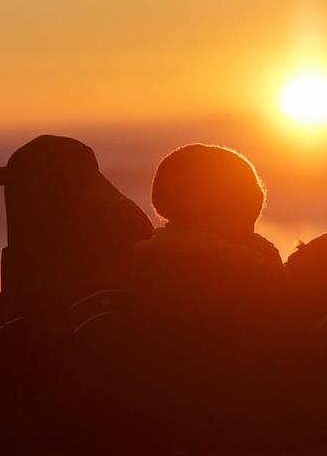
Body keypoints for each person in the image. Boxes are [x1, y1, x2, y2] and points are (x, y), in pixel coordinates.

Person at [0, 135, 153, 455]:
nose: (14, 202)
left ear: (52, 192)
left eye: (24, 188)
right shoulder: (35, 257)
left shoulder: (96, 274)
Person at [130, 144, 291, 454]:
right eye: (249, 205)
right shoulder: (248, 269)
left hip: (164, 427)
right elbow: (281, 356)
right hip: (237, 430)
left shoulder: (144, 259)